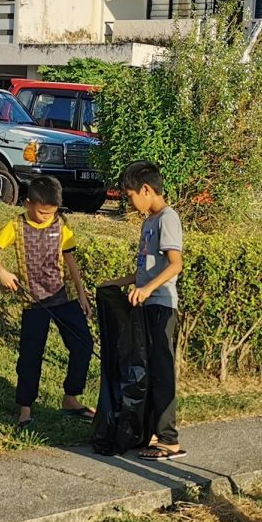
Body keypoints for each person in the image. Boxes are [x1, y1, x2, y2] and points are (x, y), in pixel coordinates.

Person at [0, 176, 94, 431]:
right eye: (42, 212)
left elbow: (70, 260)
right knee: (30, 357)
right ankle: (25, 409)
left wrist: (81, 292)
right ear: (28, 203)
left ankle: (71, 398)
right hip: (33, 302)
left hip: (62, 297)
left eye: (51, 212)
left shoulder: (61, 226)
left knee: (83, 345)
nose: (46, 217)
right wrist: (2, 271)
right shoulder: (15, 226)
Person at [101, 161, 186, 461]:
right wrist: (120, 282)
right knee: (146, 371)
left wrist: (149, 290)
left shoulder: (167, 219)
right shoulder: (147, 222)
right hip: (146, 304)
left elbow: (175, 264)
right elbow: (145, 271)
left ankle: (170, 439)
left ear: (147, 190)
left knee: (162, 372)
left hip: (162, 305)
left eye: (130, 195)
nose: (129, 202)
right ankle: (151, 431)